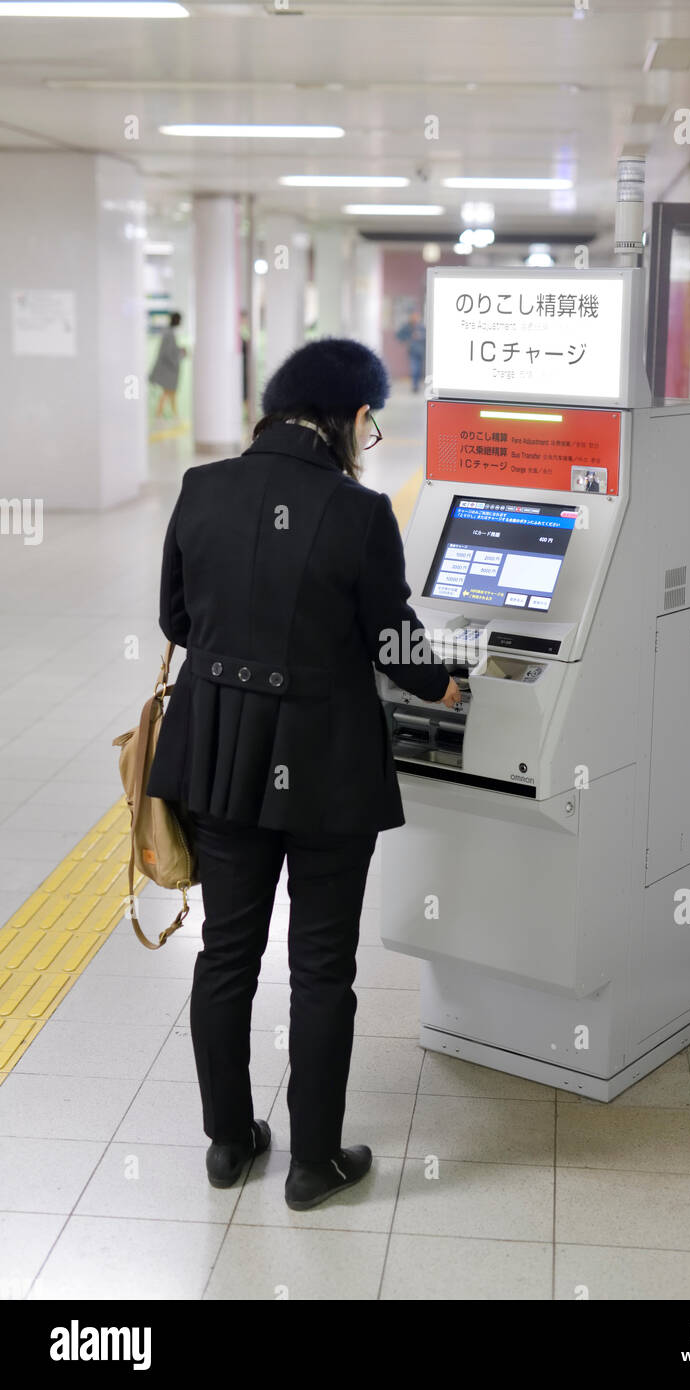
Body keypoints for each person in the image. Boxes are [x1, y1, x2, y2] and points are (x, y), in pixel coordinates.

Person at [146, 336, 461, 1211]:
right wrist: (451, 678)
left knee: (226, 954)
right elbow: (393, 644)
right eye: (374, 427)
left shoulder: (201, 489)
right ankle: (314, 1163)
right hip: (326, 770)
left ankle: (228, 1142)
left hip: (218, 759)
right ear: (355, 417)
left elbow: (176, 616)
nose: (371, 444)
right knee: (322, 967)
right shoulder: (358, 514)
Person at [149, 310, 186, 419]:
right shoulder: (169, 334)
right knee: (168, 393)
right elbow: (169, 353)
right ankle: (162, 414)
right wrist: (180, 353)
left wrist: (179, 351)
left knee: (170, 393)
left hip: (168, 370)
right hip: (168, 371)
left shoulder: (169, 333)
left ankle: (173, 414)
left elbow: (170, 351)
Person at [396, 308, 426, 392]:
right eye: (413, 316)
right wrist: (407, 339)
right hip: (412, 351)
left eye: (417, 316)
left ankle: (417, 385)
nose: (415, 318)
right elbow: (399, 335)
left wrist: (421, 336)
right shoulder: (407, 326)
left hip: (421, 351)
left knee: (419, 370)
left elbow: (428, 336)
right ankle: (414, 385)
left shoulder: (422, 326)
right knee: (414, 368)